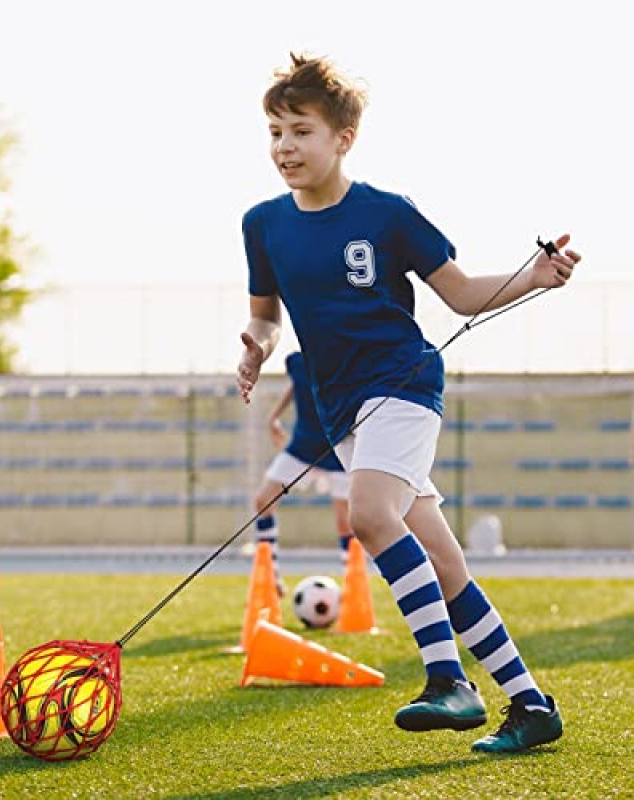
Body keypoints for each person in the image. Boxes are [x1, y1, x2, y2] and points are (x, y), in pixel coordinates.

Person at [236, 52, 581, 754]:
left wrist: (536, 277)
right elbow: (267, 313)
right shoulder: (262, 224)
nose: (284, 147)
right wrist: (257, 343)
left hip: (402, 385)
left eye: (300, 130)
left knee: (368, 514)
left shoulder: (389, 214)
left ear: (342, 139)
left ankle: (447, 680)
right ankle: (529, 704)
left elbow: (459, 294)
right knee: (442, 560)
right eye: (274, 131)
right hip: (340, 412)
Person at [251, 350, 354, 594]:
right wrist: (274, 416)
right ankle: (270, 575)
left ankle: (353, 584)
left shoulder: (345, 356)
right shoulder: (297, 361)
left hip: (338, 447)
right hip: (304, 445)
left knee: (347, 521)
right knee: (263, 500)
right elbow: (297, 383)